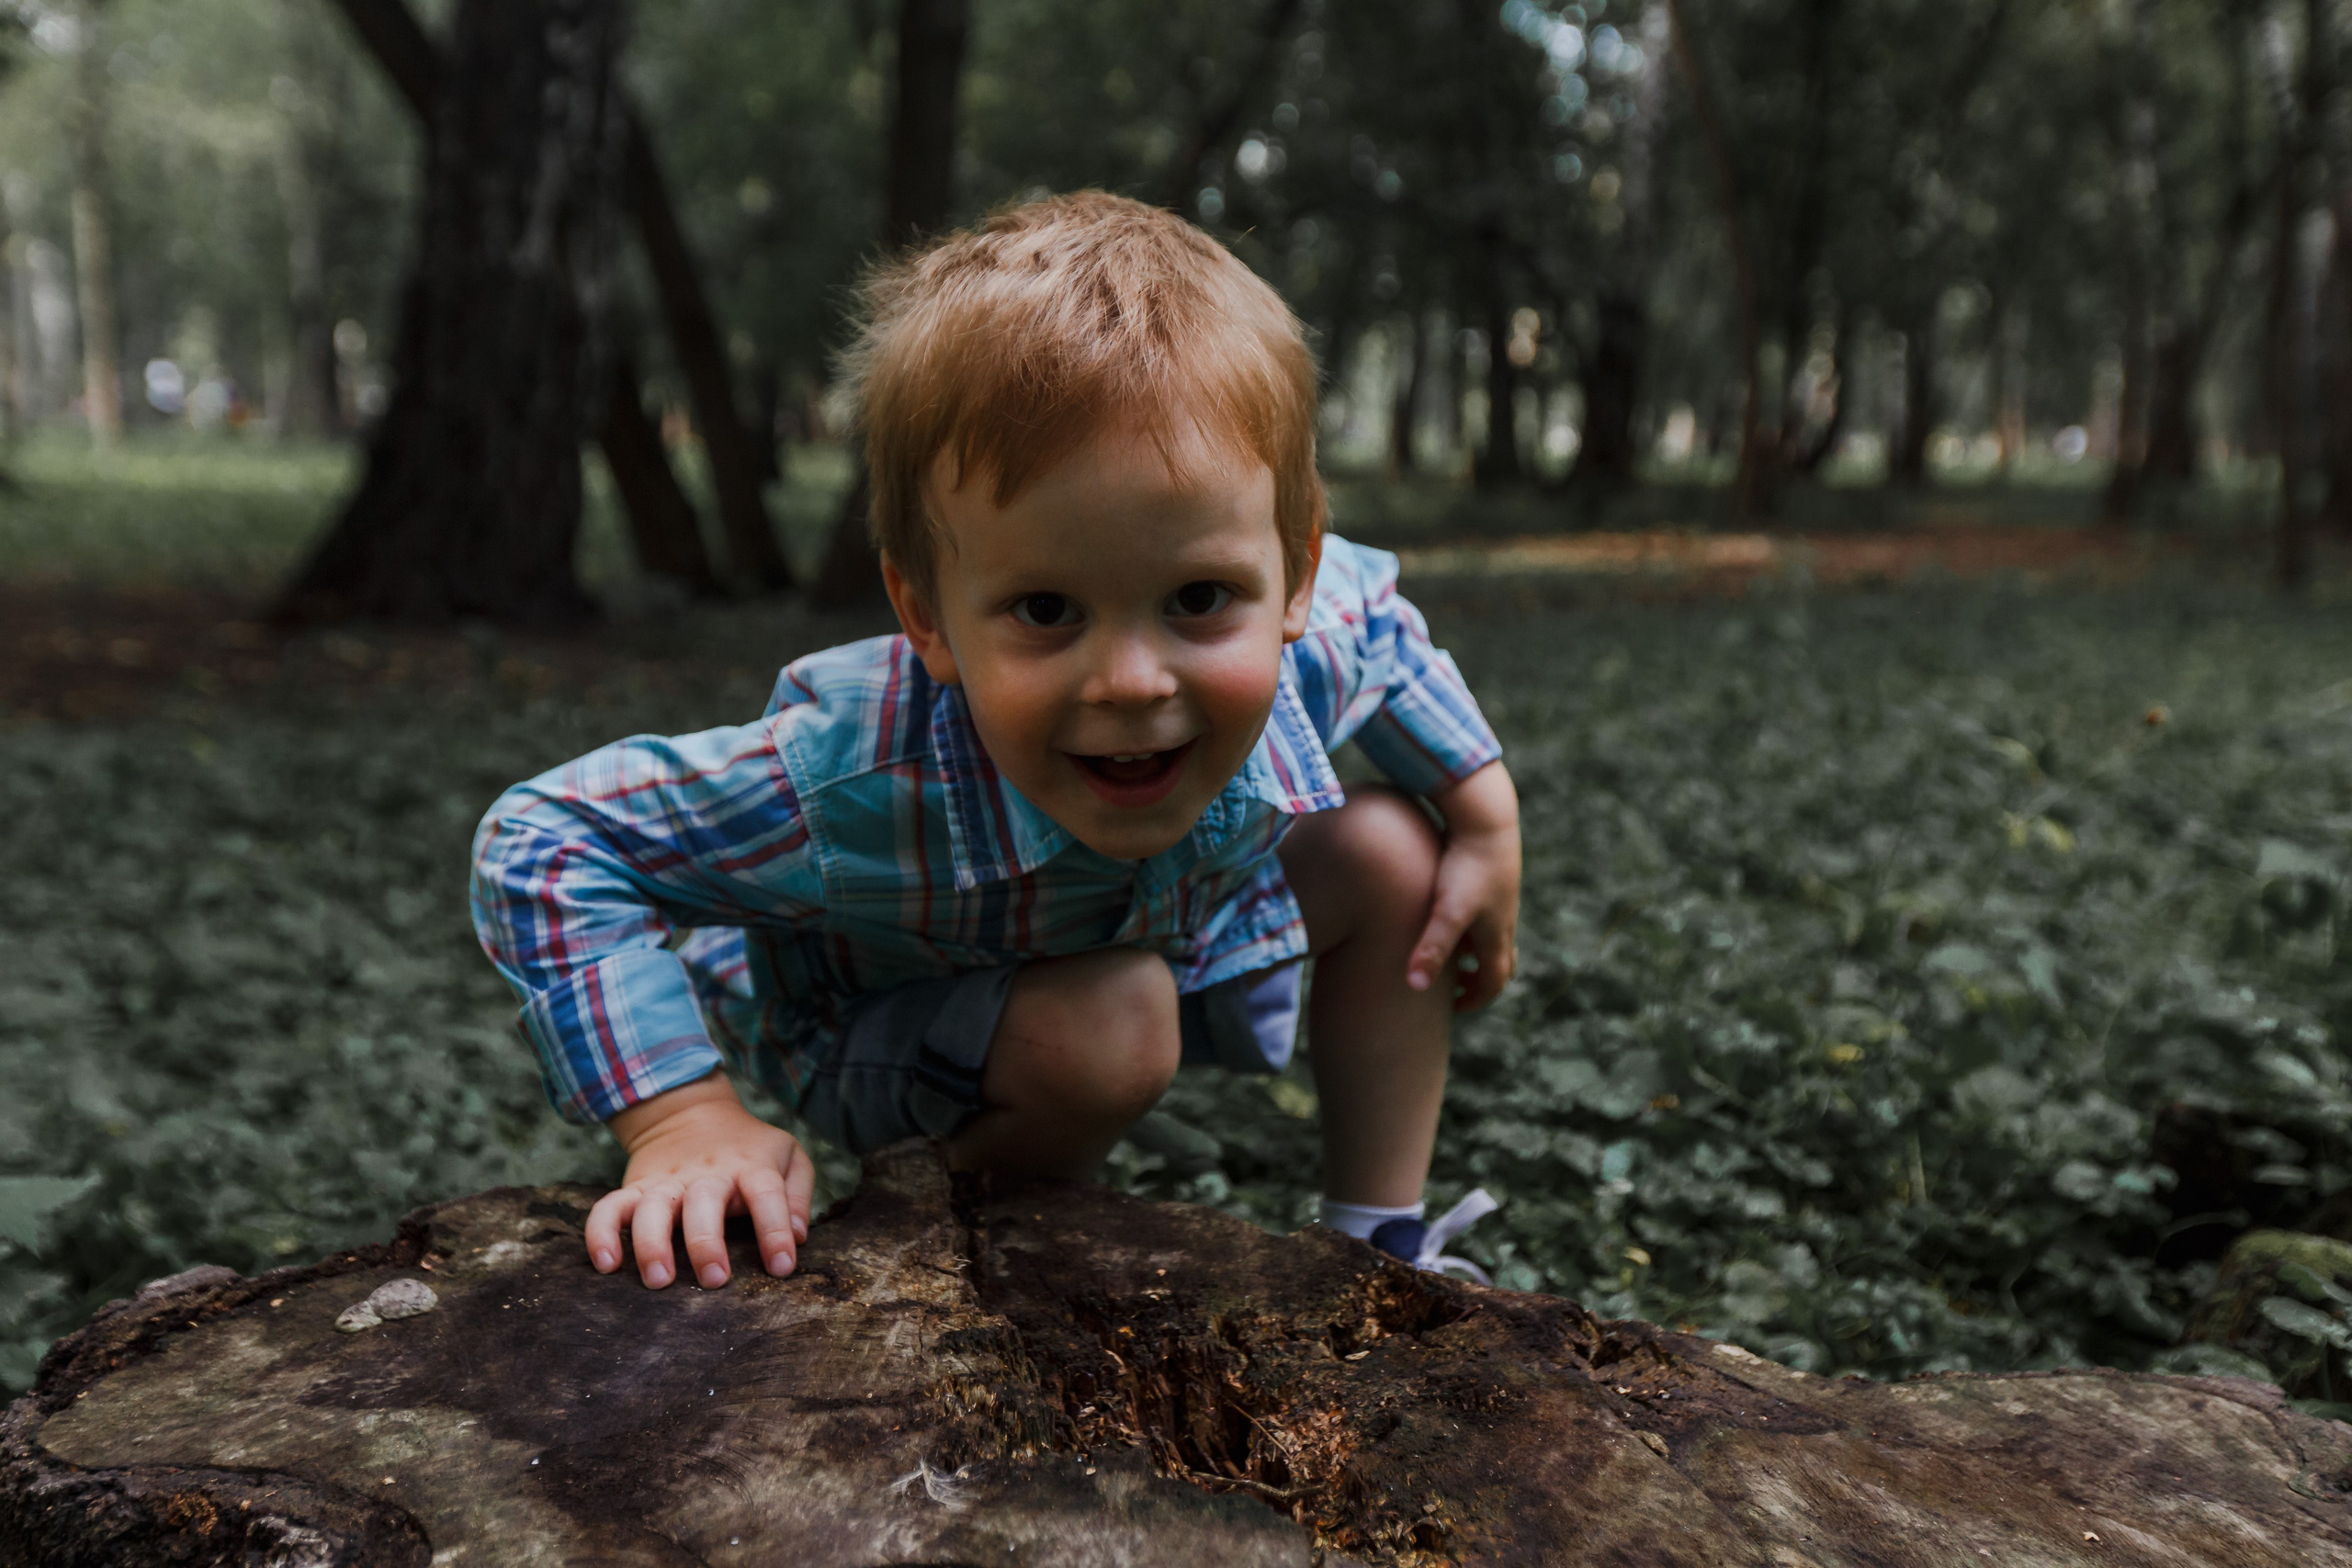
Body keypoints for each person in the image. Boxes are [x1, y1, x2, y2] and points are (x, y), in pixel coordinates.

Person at [470, 191, 1521, 1293]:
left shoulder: (1316, 632)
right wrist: (680, 1116)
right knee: (1113, 1023)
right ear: (925, 614)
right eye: (1046, 610)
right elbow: (547, 840)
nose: (1132, 682)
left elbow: (1383, 631)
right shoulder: (855, 775)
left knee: (1394, 850)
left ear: (1294, 573)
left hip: (1163, 932)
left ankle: (1379, 1244)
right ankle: (969, 1251)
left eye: (1198, 597)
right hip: (892, 1025)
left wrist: (1485, 816)